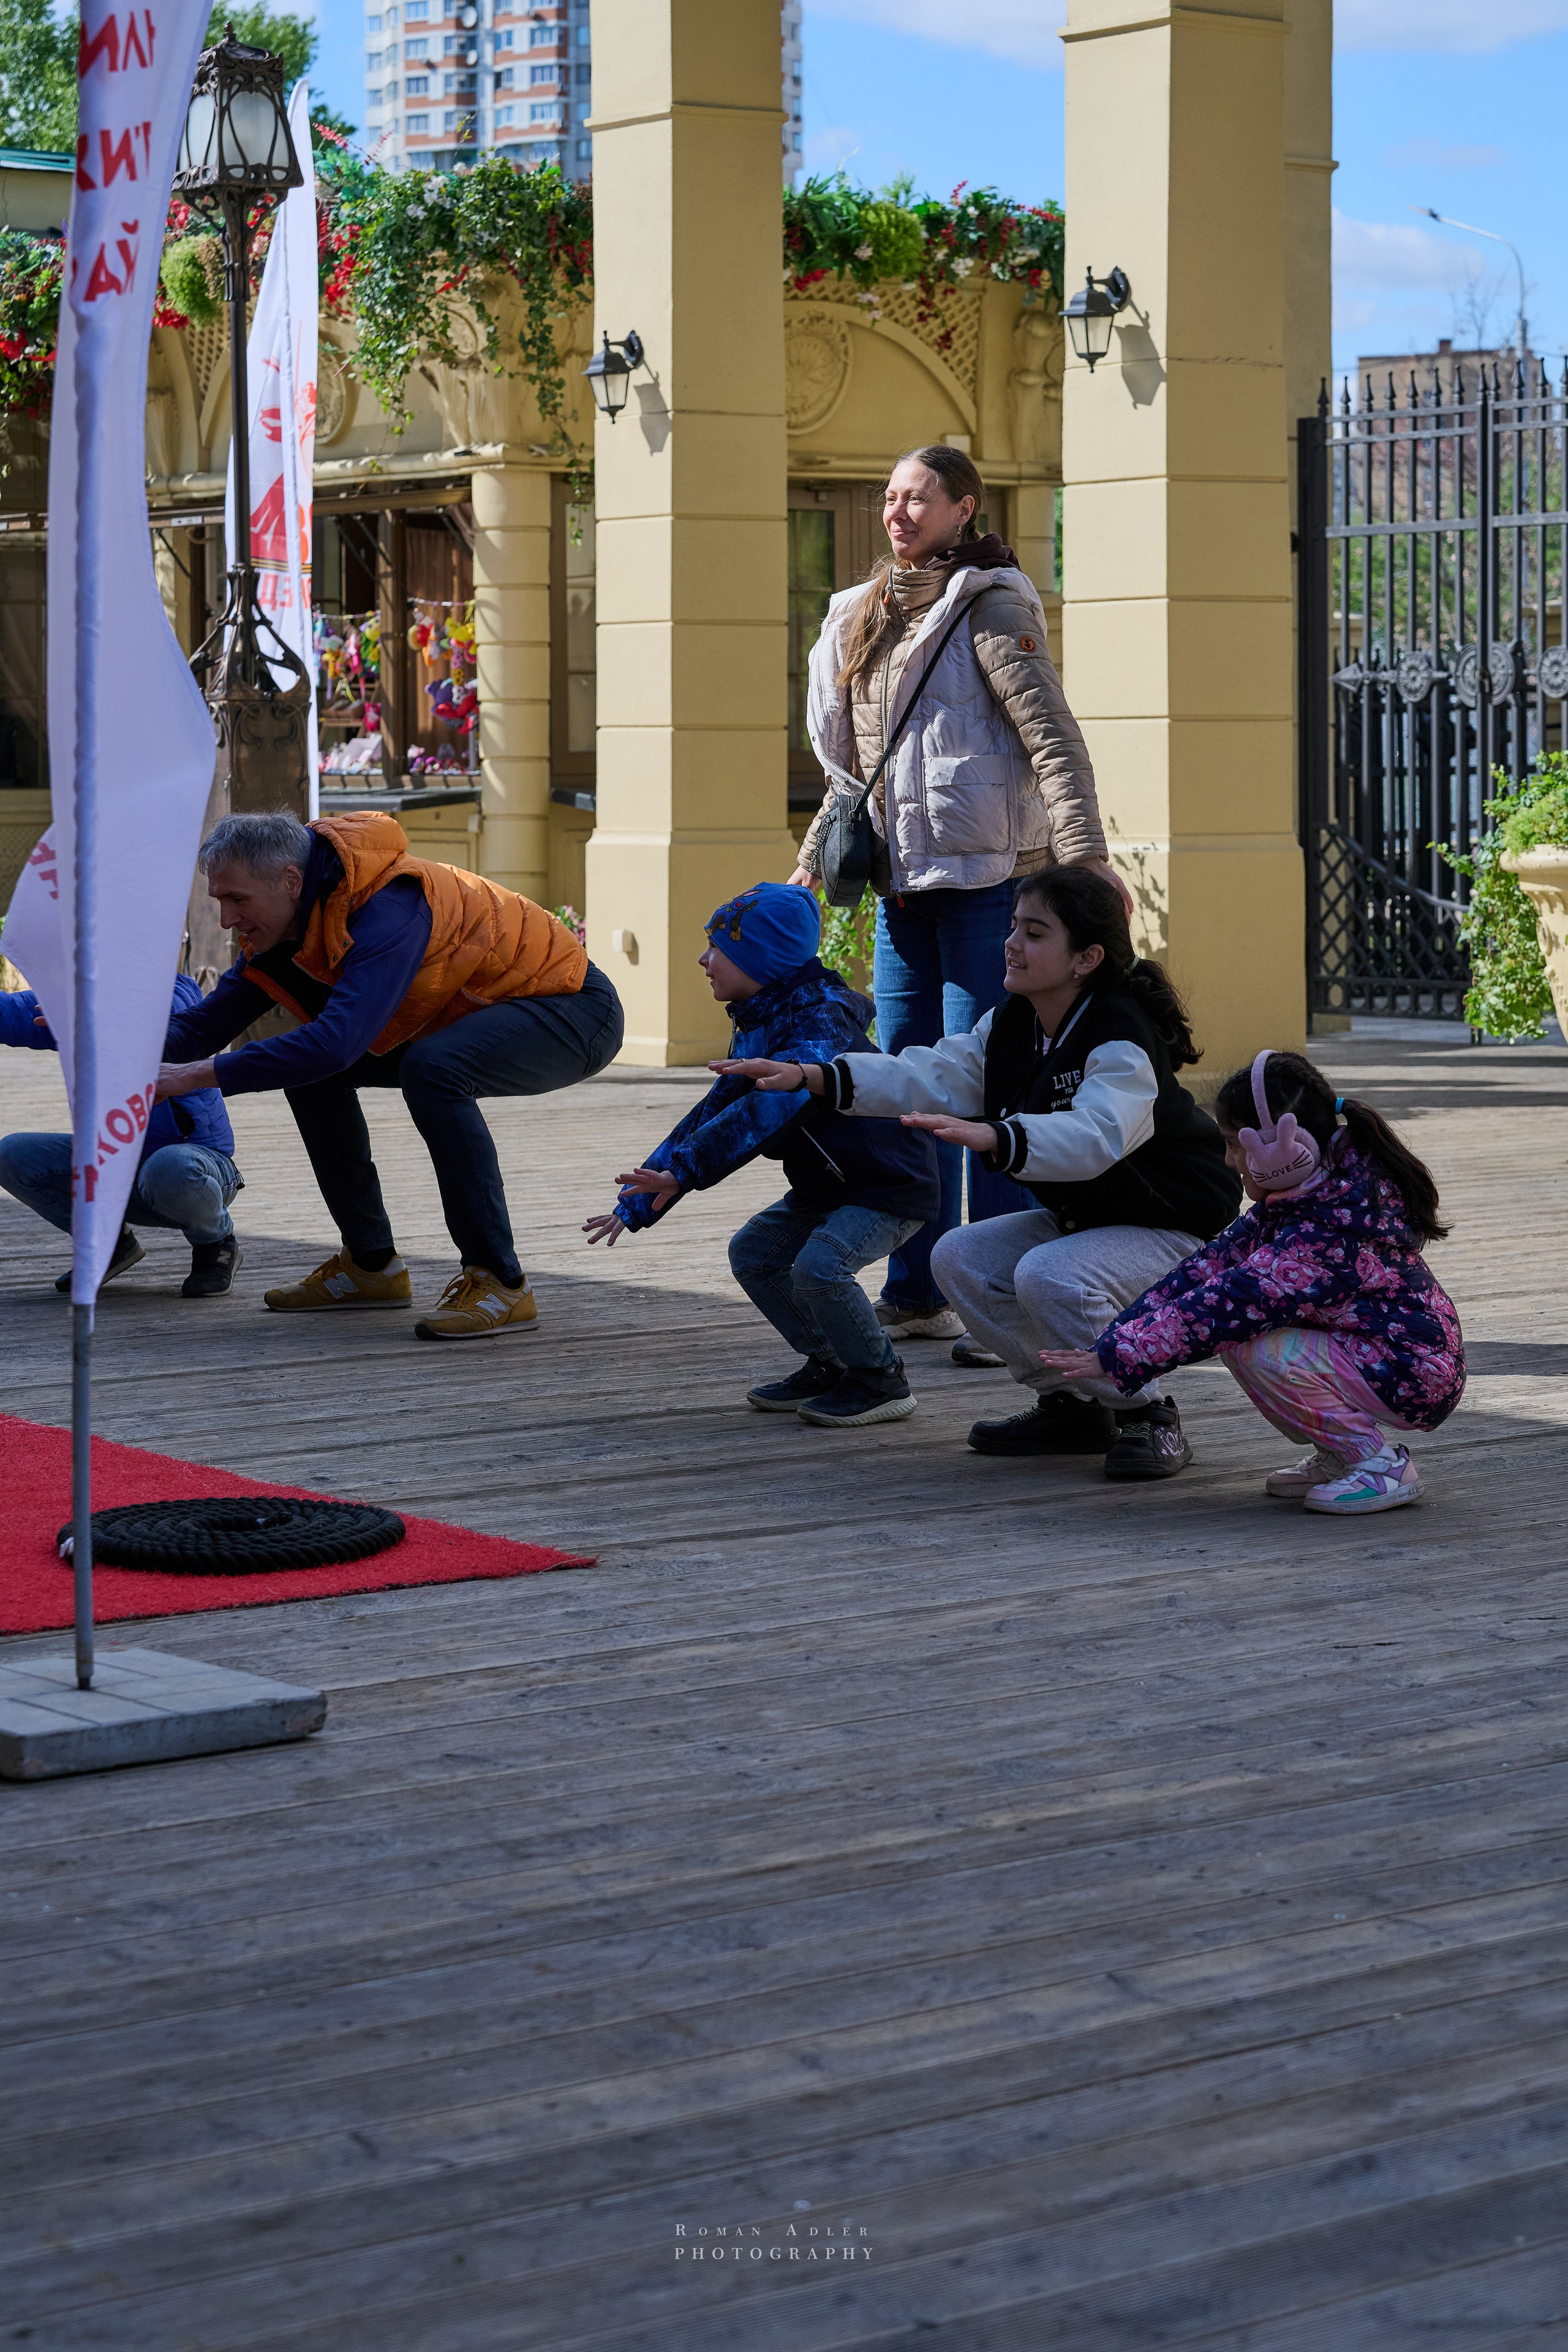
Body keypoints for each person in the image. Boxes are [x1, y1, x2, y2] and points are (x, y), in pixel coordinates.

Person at [719, 862, 1242, 1479]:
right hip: (1091, 1222)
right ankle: (1073, 1405)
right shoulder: (1017, 1021)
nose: (1012, 944)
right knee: (959, 1257)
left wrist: (998, 1135)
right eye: (1014, 927)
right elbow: (931, 1073)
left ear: (1086, 957)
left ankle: (1146, 1414)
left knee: (1048, 1275)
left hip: (1179, 1235)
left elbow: (1097, 1136)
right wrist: (815, 1077)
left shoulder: (1119, 1032)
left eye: (1035, 933)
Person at [788, 442, 1128, 1356]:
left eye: (918, 499)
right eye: (890, 498)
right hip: (906, 887)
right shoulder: (867, 615)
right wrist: (810, 864)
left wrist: (1086, 856)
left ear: (963, 509)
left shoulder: (992, 603)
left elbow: (1054, 740)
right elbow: (852, 775)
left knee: (989, 1089)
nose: (898, 513)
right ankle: (917, 1285)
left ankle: (997, 1297)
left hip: (987, 884)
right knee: (908, 1083)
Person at [154, 808, 624, 1341]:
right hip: (470, 1015)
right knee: (310, 1070)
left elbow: (337, 1043)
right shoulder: (289, 924)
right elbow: (201, 1028)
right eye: (220, 900)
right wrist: (100, 1039)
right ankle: (372, 1266)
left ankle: (500, 1282)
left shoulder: (390, 904)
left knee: (433, 1069)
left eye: (236, 899)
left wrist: (196, 1076)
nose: (225, 920)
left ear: (289, 881)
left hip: (574, 1010)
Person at [1039, 1050, 1466, 1516]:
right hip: (1384, 1355)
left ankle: (1378, 1465)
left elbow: (1230, 1302)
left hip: (1411, 1372)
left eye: (1234, 1144)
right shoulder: (1304, 1201)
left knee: (1252, 1343)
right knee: (1244, 1335)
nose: (1228, 1160)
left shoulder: (1325, 1231)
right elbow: (1205, 1271)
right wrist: (1114, 1340)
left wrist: (1122, 1356)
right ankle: (1341, 1455)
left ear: (1284, 1145)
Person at [583, 882, 940, 1429]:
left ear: (764, 960)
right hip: (829, 1186)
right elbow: (716, 1110)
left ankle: (878, 1377)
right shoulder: (760, 1017)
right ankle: (831, 1362)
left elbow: (761, 1114)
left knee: (821, 1267)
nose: (703, 959)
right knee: (753, 1253)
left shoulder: (819, 1023)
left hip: (888, 1185)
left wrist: (684, 1173)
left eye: (718, 948)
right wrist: (652, 1187)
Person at [0, 974, 243, 1297]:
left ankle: (217, 1244)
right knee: (12, 1154)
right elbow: (15, 1013)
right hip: (120, 1165)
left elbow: (166, 1025)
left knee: (169, 1167)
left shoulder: (176, 991)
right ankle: (109, 1244)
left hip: (198, 1169)